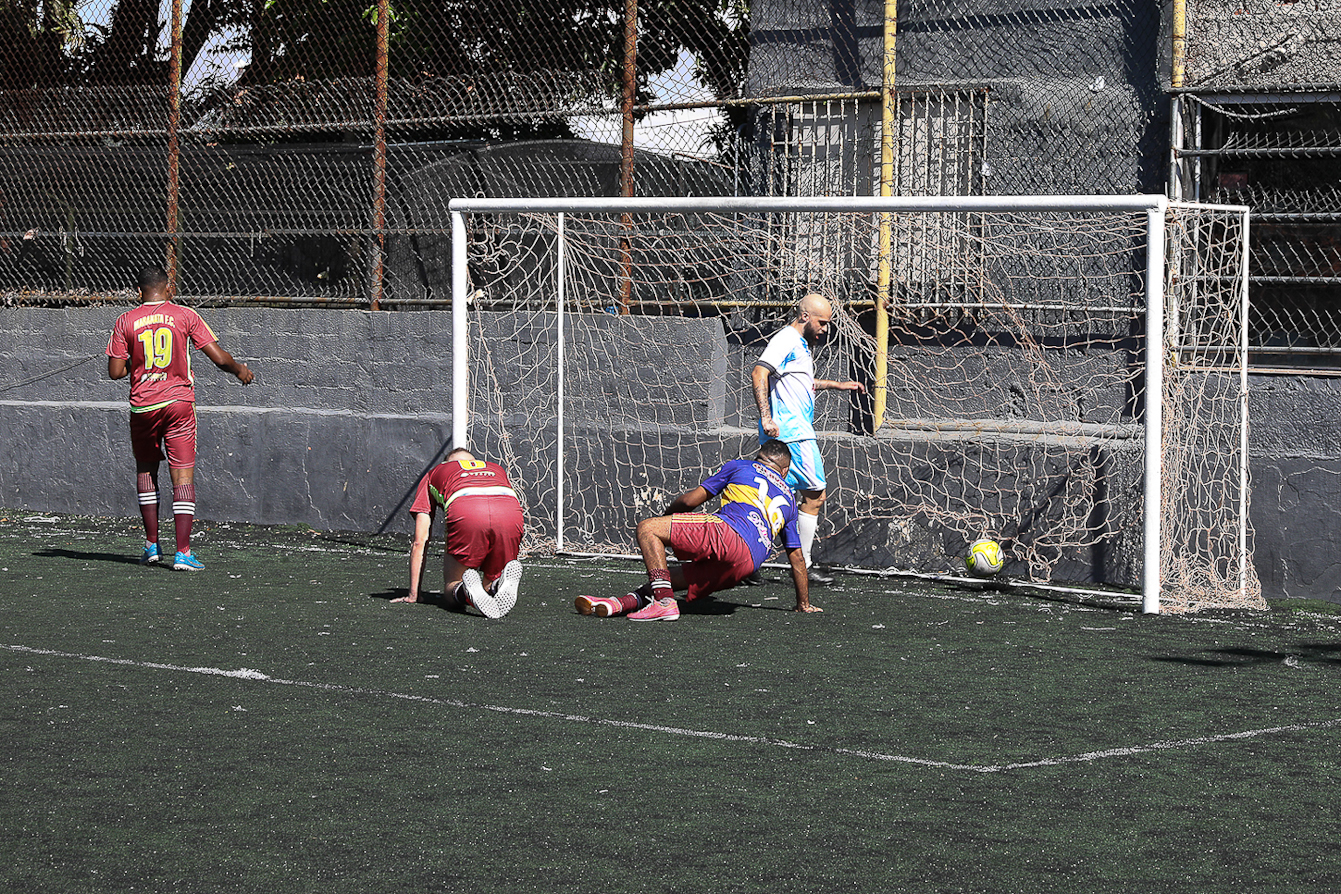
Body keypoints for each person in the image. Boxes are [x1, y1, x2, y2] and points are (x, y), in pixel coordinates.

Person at [106, 265, 254, 570]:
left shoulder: (125, 321)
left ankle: (151, 546)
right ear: (169, 287)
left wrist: (137, 361)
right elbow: (218, 357)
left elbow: (115, 372)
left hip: (143, 407)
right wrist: (239, 369)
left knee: (146, 471)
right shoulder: (185, 315)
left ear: (138, 292)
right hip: (179, 404)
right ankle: (183, 552)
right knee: (182, 476)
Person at [575, 439, 821, 621]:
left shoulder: (740, 466)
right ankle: (620, 603)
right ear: (785, 471)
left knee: (648, 528)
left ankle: (664, 604)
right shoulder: (789, 498)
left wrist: (666, 518)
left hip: (729, 533)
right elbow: (797, 559)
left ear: (759, 457)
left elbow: (690, 502)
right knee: (665, 579)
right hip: (747, 564)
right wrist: (803, 604)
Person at [751, 292, 865, 585]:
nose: (825, 330)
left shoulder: (799, 345)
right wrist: (766, 416)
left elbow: (800, 381)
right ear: (805, 317)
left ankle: (744, 560)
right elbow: (759, 372)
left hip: (789, 432)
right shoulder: (786, 339)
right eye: (822, 323)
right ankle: (803, 565)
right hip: (793, 435)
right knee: (815, 494)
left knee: (767, 499)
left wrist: (837, 385)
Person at [393, 446, 524, 619]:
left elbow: (420, 540)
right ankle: (496, 585)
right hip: (509, 511)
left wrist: (413, 593)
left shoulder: (436, 471)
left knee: (451, 586)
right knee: (490, 582)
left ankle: (463, 590)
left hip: (467, 508)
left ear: (446, 463)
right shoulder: (495, 467)